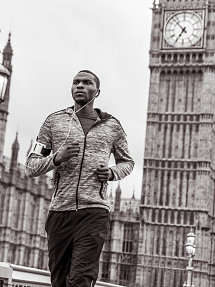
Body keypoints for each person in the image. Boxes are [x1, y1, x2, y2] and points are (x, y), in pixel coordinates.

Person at [25, 70, 134, 287]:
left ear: (97, 91)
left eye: (86, 82)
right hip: (59, 213)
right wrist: (57, 158)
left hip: (94, 212)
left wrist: (112, 173)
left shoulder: (112, 126)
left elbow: (128, 163)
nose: (80, 86)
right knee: (60, 281)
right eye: (76, 82)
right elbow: (30, 166)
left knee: (80, 280)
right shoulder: (53, 122)